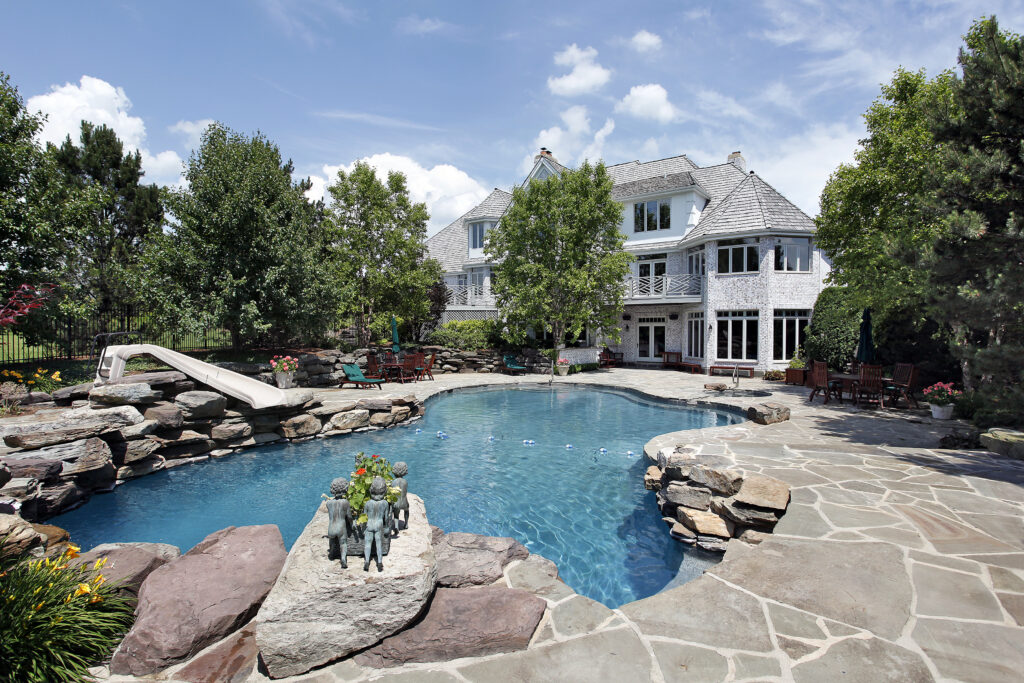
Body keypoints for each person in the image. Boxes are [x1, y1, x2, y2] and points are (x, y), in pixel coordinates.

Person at [363, 476, 392, 572]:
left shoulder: (368, 503)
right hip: (379, 524)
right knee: (379, 544)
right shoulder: (384, 503)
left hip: (369, 524)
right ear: (384, 491)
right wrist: (387, 527)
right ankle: (379, 563)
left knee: (368, 544)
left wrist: (363, 528)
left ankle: (367, 562)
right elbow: (386, 517)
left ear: (371, 490)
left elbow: (364, 516)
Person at [326, 478, 353, 568]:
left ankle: (332, 554)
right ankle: (343, 559)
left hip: (331, 527)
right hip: (341, 527)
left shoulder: (329, 503)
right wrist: (352, 525)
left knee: (332, 541)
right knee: (343, 543)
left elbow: (330, 516)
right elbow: (349, 516)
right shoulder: (345, 502)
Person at [391, 462, 409, 534]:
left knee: (396, 514)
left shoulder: (393, 481)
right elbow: (405, 492)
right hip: (404, 502)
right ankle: (406, 524)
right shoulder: (405, 481)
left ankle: (396, 526)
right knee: (407, 510)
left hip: (396, 503)